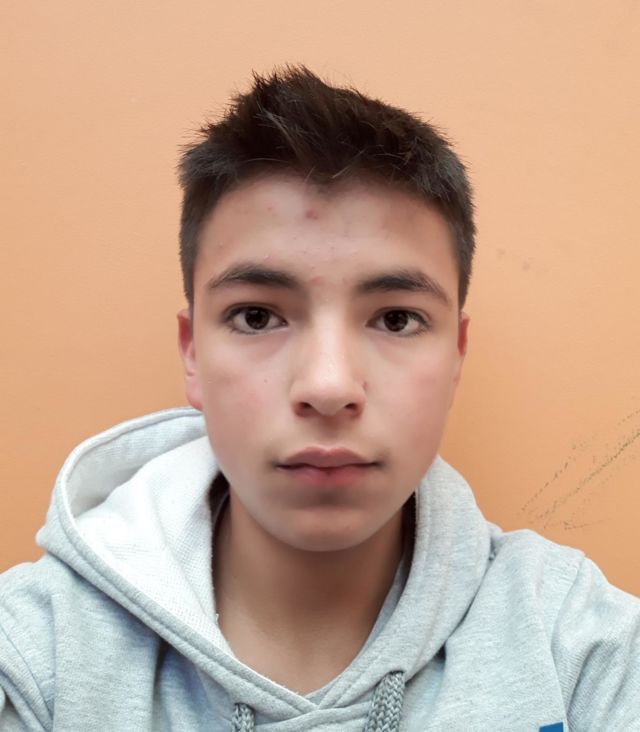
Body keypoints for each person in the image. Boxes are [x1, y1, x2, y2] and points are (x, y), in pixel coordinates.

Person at [0, 66, 638, 732]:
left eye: (396, 319)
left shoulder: (582, 653)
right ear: (192, 353)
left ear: (456, 355)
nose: (329, 387)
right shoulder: (34, 656)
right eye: (256, 316)